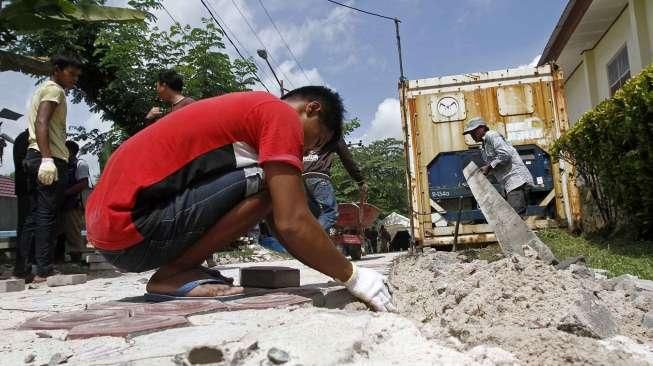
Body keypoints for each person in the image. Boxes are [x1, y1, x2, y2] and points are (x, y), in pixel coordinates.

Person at [86, 87, 395, 312]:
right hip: (131, 229)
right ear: (311, 109)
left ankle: (180, 269)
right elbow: (291, 222)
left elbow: (285, 226)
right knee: (268, 186)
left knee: (271, 187)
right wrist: (352, 276)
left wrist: (326, 263)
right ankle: (173, 275)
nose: (306, 152)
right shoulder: (278, 114)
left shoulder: (248, 110)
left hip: (114, 233)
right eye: (315, 141)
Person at [15, 55, 81, 282]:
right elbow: (41, 122)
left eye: (76, 76)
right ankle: (44, 269)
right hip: (48, 157)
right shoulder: (54, 90)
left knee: (34, 215)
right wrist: (47, 158)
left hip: (34, 155)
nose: (74, 79)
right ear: (57, 70)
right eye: (71, 74)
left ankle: (25, 269)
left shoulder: (40, 89)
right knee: (46, 215)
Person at [462, 117, 534, 217]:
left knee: (515, 221)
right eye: (470, 133)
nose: (472, 135)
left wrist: (489, 167)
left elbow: (505, 154)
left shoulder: (491, 135)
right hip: (509, 185)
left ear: (481, 128)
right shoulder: (484, 145)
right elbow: (497, 164)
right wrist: (485, 171)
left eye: (473, 132)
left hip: (516, 182)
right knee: (513, 220)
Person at [303, 139, 368, 231]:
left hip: (302, 179)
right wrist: (360, 180)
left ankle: (313, 242)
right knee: (331, 213)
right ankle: (311, 238)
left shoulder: (308, 131)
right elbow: (347, 159)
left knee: (316, 216)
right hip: (319, 177)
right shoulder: (333, 134)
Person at [54, 141, 90, 263]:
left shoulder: (80, 164)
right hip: (61, 204)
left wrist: (65, 193)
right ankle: (59, 259)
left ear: (71, 151)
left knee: (73, 233)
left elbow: (83, 183)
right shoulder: (62, 165)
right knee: (59, 233)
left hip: (73, 204)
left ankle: (76, 261)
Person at [12, 129, 30, 277]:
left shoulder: (21, 138)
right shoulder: (27, 139)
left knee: (25, 226)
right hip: (27, 189)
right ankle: (22, 266)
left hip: (25, 188)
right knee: (25, 226)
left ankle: (23, 265)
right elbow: (24, 163)